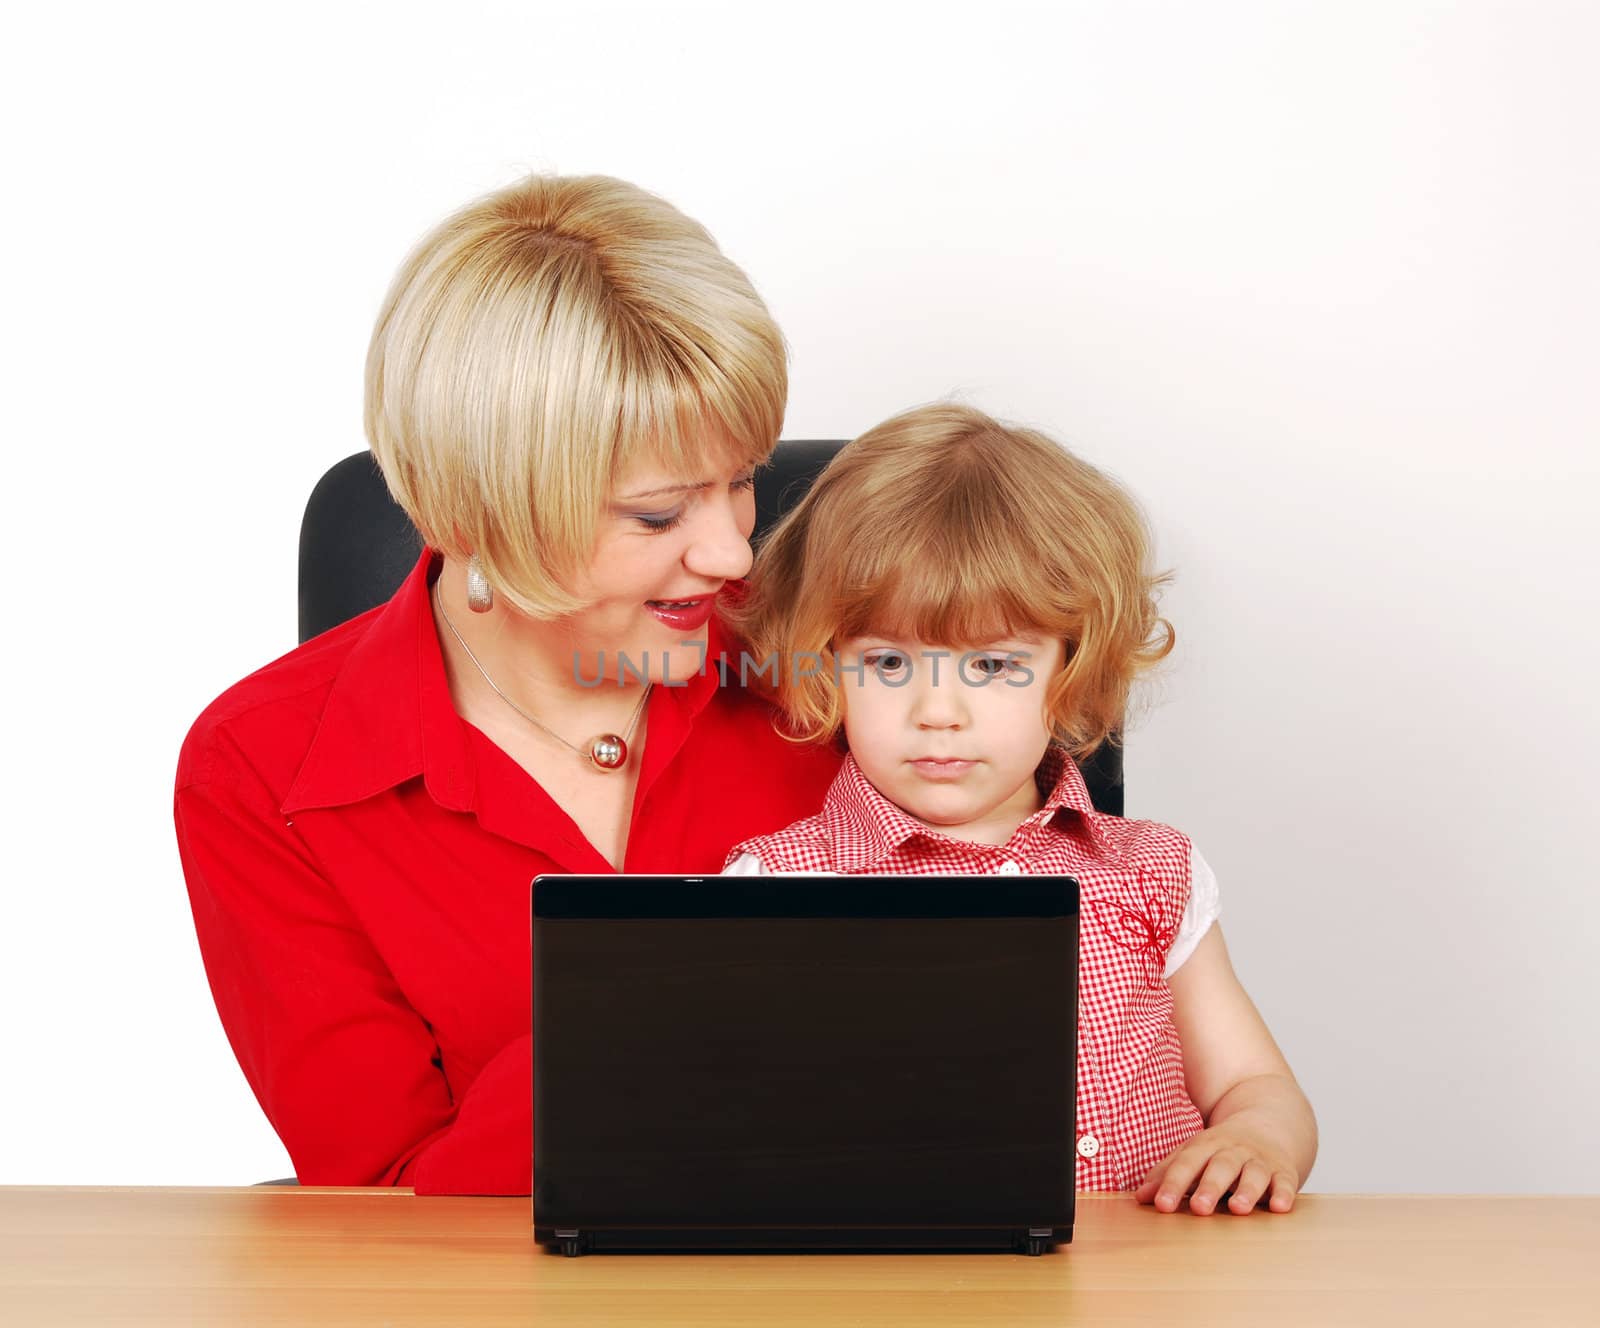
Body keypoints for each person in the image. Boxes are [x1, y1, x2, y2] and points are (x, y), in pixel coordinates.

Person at [172, 175, 843, 1194]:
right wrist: (663, 992)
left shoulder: (840, 664)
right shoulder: (262, 766)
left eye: (742, 479)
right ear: (481, 514)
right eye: (659, 515)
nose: (733, 554)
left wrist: (1187, 1103)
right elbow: (383, 1196)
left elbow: (1078, 933)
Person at [720, 403, 1319, 1216]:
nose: (938, 711)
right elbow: (742, 1128)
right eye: (889, 661)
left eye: (994, 664)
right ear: (826, 663)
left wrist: (1257, 1139)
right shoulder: (778, 884)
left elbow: (1255, 1083)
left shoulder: (1151, 871)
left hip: (1152, 1280)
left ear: (1072, 667)